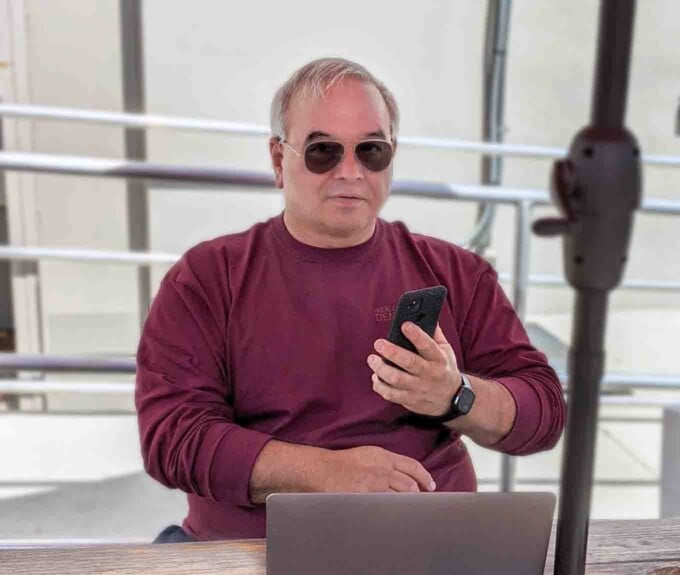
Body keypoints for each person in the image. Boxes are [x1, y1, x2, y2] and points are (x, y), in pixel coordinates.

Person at [135, 57, 566, 544]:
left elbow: (544, 412)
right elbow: (172, 437)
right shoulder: (208, 278)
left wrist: (455, 396)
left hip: (427, 549)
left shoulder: (457, 273)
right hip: (255, 554)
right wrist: (326, 474)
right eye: (322, 151)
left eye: (371, 151)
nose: (349, 171)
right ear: (279, 159)